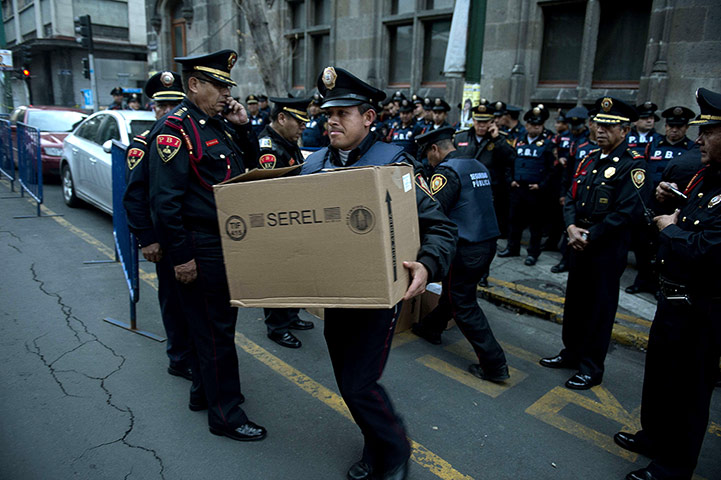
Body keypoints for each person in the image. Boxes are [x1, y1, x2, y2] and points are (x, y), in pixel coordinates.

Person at [301, 66, 457, 480]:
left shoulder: (395, 164)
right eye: (327, 113)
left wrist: (428, 263)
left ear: (369, 118)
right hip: (334, 294)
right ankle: (375, 448)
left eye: (344, 113)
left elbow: (440, 226)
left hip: (377, 297)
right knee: (348, 381)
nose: (331, 121)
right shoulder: (312, 165)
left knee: (359, 384)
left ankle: (395, 449)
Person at [148, 49, 266, 442]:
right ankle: (226, 414)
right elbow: (165, 204)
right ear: (194, 84)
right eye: (217, 84)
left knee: (210, 328)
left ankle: (203, 393)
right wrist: (182, 257)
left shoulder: (217, 125)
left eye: (227, 85)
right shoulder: (176, 131)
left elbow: (250, 168)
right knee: (216, 333)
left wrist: (245, 126)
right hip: (200, 244)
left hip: (222, 241)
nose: (225, 93)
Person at [615, 87, 721, 480]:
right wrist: (670, 199)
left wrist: (670, 228)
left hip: (703, 308)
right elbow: (692, 217)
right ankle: (654, 437)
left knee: (689, 391)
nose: (698, 139)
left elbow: (708, 248)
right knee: (661, 377)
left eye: (707, 132)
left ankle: (674, 467)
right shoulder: (707, 177)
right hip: (675, 299)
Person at [540, 97, 647, 390]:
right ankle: (571, 353)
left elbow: (628, 212)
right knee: (575, 304)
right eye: (599, 124)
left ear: (624, 131)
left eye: (609, 127)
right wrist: (571, 227)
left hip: (605, 249)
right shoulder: (588, 158)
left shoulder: (632, 165)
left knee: (599, 310)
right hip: (578, 244)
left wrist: (591, 235)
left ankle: (591, 367)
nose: (600, 130)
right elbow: (572, 197)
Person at [410, 126, 508, 381]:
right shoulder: (475, 164)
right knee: (456, 293)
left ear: (435, 149)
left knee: (462, 304)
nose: (428, 161)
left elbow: (434, 209)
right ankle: (430, 328)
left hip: (465, 246)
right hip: (486, 243)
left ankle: (494, 365)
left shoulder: (446, 172)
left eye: (427, 155)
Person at [122, 71, 193, 381]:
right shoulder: (144, 143)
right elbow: (134, 196)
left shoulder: (189, 140)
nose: (168, 112)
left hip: (189, 235)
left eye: (174, 105)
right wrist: (146, 239)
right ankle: (178, 357)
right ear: (152, 108)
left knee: (194, 303)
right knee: (174, 302)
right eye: (162, 107)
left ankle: (195, 354)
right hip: (164, 240)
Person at [255, 96, 316, 348]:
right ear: (281, 118)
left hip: (292, 219)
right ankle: (276, 327)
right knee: (279, 277)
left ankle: (290, 316)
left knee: (294, 273)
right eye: (299, 121)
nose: (304, 127)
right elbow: (269, 192)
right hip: (276, 223)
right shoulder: (267, 148)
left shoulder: (287, 142)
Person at [626, 105, 698, 295]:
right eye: (671, 126)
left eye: (679, 127)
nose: (675, 130)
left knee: (664, 247)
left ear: (686, 128)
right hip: (651, 203)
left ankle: (658, 284)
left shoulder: (692, 150)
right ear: (665, 126)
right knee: (643, 245)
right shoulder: (653, 145)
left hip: (674, 208)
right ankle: (641, 280)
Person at [454, 99, 516, 249]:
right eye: (478, 121)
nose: (481, 125)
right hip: (465, 188)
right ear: (473, 120)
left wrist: (497, 139)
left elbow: (511, 158)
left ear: (492, 122)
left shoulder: (501, 138)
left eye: (485, 122)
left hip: (490, 189)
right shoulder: (461, 137)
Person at [498, 104, 555, 266]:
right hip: (518, 188)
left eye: (538, 125)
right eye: (532, 125)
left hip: (535, 191)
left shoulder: (547, 144)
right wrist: (511, 181)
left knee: (535, 225)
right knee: (514, 221)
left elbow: (552, 170)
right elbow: (509, 164)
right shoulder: (518, 141)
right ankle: (512, 247)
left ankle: (533, 253)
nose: (535, 128)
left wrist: (541, 185)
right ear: (527, 125)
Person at [553, 106, 596, 274]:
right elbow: (568, 172)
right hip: (575, 193)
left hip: (593, 195)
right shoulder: (579, 145)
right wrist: (564, 193)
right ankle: (565, 260)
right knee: (569, 227)